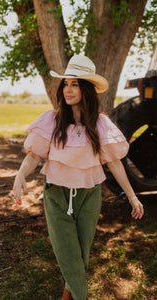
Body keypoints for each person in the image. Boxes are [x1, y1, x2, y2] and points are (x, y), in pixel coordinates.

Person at [12, 55, 144, 300]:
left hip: (89, 195)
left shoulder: (100, 123)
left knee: (81, 252)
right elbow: (33, 156)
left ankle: (68, 293)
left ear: (86, 89)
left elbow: (114, 163)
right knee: (67, 252)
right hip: (57, 195)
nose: (68, 89)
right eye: (65, 83)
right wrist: (20, 177)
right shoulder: (51, 120)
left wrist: (133, 196)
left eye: (74, 84)